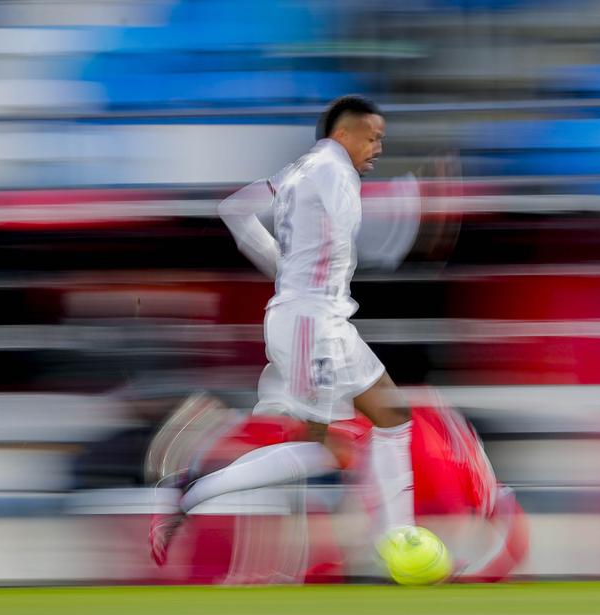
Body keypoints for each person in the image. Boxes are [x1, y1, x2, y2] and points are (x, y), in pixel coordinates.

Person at [149, 95, 418, 566]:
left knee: (393, 417)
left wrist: (284, 269)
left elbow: (235, 210)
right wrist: (408, 211)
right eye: (373, 137)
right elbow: (369, 239)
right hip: (314, 324)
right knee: (330, 447)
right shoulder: (335, 172)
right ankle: (190, 491)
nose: (377, 148)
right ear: (344, 134)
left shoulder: (300, 169)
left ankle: (400, 539)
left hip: (313, 317)